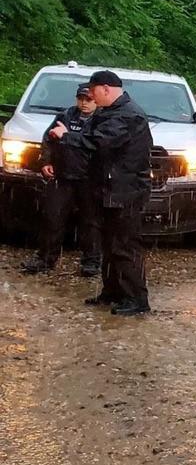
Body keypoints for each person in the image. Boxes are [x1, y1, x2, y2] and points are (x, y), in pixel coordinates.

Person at [48, 70, 154, 316]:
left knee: (124, 246)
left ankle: (137, 299)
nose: (91, 98)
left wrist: (67, 137)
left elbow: (98, 142)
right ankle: (113, 292)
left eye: (93, 92)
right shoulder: (109, 112)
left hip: (125, 191)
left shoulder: (128, 115)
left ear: (105, 89)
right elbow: (88, 137)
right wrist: (67, 137)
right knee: (109, 244)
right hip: (107, 189)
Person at [21, 84, 102, 277]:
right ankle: (45, 259)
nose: (84, 103)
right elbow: (48, 140)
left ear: (96, 101)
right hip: (62, 176)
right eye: (81, 99)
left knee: (91, 222)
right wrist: (46, 161)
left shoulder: (102, 120)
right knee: (52, 217)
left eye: (88, 99)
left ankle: (91, 262)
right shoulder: (65, 116)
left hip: (89, 179)